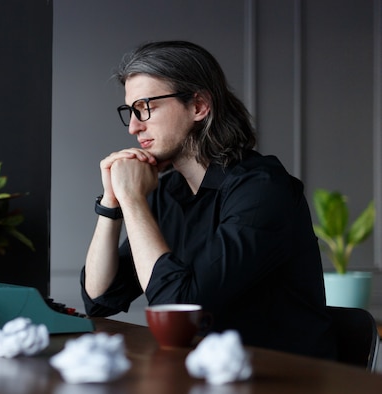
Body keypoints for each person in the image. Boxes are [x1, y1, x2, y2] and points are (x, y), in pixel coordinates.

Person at [81, 40, 336, 359]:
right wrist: (112, 201)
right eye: (131, 111)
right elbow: (99, 298)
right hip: (205, 376)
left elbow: (176, 306)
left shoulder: (262, 189)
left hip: (283, 384)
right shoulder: (167, 192)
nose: (134, 126)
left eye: (146, 106)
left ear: (199, 106)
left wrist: (133, 200)